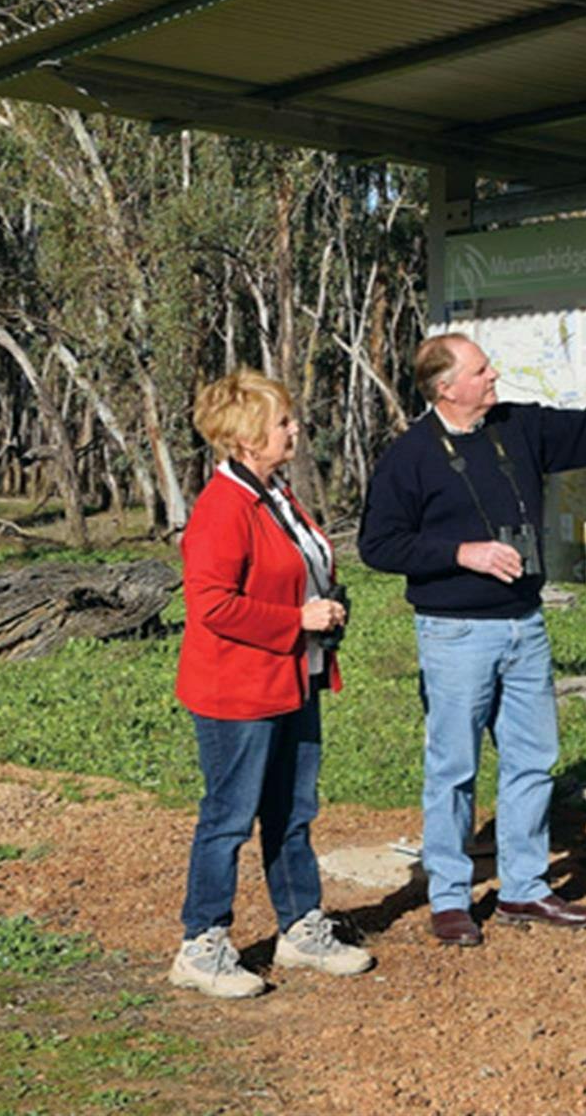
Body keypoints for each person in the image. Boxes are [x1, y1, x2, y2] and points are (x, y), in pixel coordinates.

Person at [359, 334, 586, 946]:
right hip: (454, 633)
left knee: (533, 759)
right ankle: (449, 897)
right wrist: (461, 553)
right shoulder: (411, 455)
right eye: (480, 370)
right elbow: (379, 544)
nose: (494, 375)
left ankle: (524, 888)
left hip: (524, 626)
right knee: (453, 768)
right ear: (447, 387)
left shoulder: (517, 427)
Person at [170, 369, 374, 999]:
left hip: (293, 678)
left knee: (293, 811)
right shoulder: (222, 507)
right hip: (238, 691)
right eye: (282, 421)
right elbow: (212, 606)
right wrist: (299, 619)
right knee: (229, 819)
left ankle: (299, 927)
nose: (293, 430)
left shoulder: (275, 492)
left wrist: (318, 612)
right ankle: (200, 944)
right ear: (247, 438)